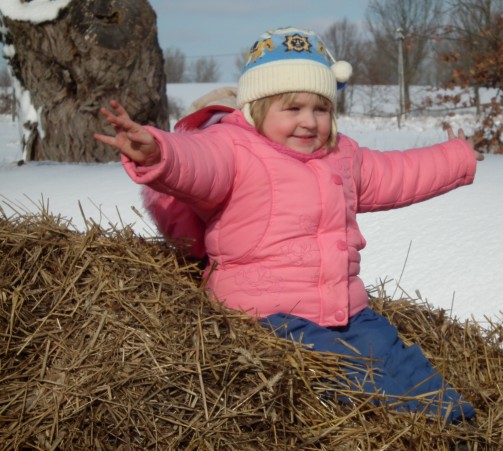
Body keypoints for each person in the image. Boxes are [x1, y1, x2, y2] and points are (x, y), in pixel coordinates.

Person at [95, 27, 483, 423]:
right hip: (269, 317)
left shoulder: (341, 155)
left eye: (321, 109)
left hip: (347, 311)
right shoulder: (233, 149)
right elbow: (194, 162)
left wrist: (456, 158)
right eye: (292, 108)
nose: (309, 122)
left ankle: (456, 428)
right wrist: (157, 150)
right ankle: (404, 430)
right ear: (257, 109)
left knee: (402, 363)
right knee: (358, 385)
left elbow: (398, 173)